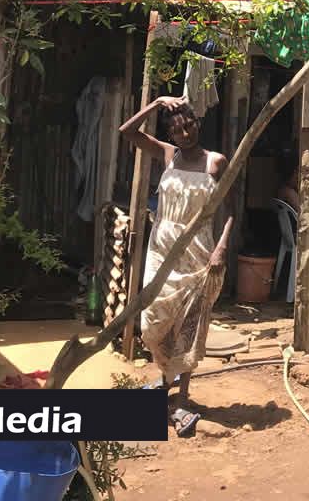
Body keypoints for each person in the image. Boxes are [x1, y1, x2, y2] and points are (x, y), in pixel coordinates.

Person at [120, 94, 233, 437]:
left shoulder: (216, 162)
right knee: (153, 321)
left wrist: (222, 247)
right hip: (162, 250)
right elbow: (127, 132)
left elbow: (227, 210)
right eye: (177, 130)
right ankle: (165, 378)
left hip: (198, 251)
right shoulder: (168, 155)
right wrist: (155, 105)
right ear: (171, 134)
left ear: (198, 124)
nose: (184, 133)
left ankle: (181, 399)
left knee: (189, 326)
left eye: (189, 126)